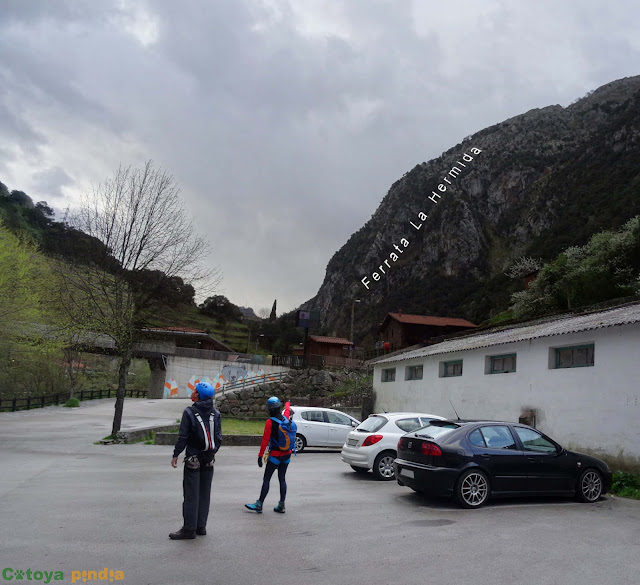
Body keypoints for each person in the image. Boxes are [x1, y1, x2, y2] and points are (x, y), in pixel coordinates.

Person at [169, 381, 222, 540]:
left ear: (198, 395)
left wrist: (176, 454)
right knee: (205, 493)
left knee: (191, 494)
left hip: (193, 459)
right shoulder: (216, 413)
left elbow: (183, 436)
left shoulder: (189, 412)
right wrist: (211, 453)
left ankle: (189, 529)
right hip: (209, 459)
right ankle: (201, 526)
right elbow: (218, 438)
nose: (192, 392)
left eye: (194, 391)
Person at [245, 396, 293, 514]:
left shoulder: (270, 422)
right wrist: (287, 402)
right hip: (287, 455)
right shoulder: (285, 418)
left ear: (269, 409)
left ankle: (259, 504)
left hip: (275, 456)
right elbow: (287, 410)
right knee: (282, 479)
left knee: (267, 479)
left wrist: (260, 456)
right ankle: (281, 505)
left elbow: (265, 441)